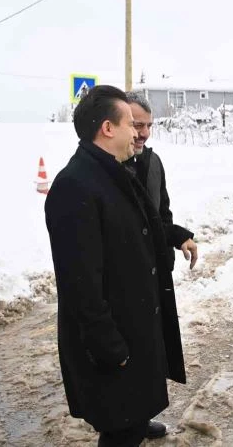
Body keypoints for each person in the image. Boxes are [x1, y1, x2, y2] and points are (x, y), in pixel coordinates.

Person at [45, 85, 186, 447]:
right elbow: (80, 283)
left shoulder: (114, 172)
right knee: (120, 432)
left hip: (132, 327)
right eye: (129, 125)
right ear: (108, 128)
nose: (136, 134)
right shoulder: (75, 186)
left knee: (130, 420)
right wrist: (110, 348)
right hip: (114, 340)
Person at [124, 93, 198, 271]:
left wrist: (168, 255)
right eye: (137, 125)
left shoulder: (153, 162)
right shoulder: (106, 170)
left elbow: (162, 214)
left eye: (149, 126)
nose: (145, 134)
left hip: (155, 275)